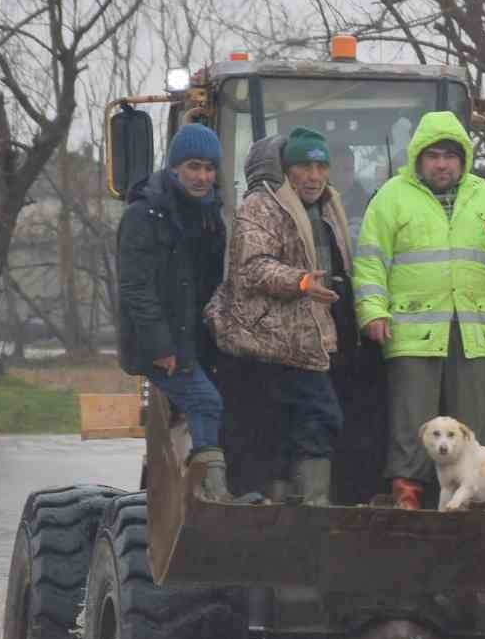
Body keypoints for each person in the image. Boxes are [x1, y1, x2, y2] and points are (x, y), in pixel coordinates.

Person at [353, 110, 485, 510]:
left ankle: (482, 498)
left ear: (463, 159)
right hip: (411, 328)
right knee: (412, 419)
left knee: (474, 423)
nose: (441, 164)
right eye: (433, 155)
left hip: (474, 329)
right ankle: (409, 493)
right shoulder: (391, 197)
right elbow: (369, 262)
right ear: (418, 157)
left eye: (450, 156)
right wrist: (372, 311)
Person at [204, 128, 353, 504]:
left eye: (321, 166)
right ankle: (309, 505)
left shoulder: (326, 208)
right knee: (317, 418)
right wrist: (301, 281)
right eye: (305, 166)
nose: (315, 175)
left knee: (295, 425)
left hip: (309, 337)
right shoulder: (261, 206)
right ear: (286, 170)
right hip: (270, 338)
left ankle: (289, 505)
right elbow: (252, 268)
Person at [115, 121, 231, 499]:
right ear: (175, 168)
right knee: (204, 401)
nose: (202, 176)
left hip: (197, 338)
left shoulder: (212, 214)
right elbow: (136, 288)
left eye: (209, 168)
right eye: (193, 167)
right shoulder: (143, 215)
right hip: (161, 344)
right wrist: (161, 346)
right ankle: (210, 495)